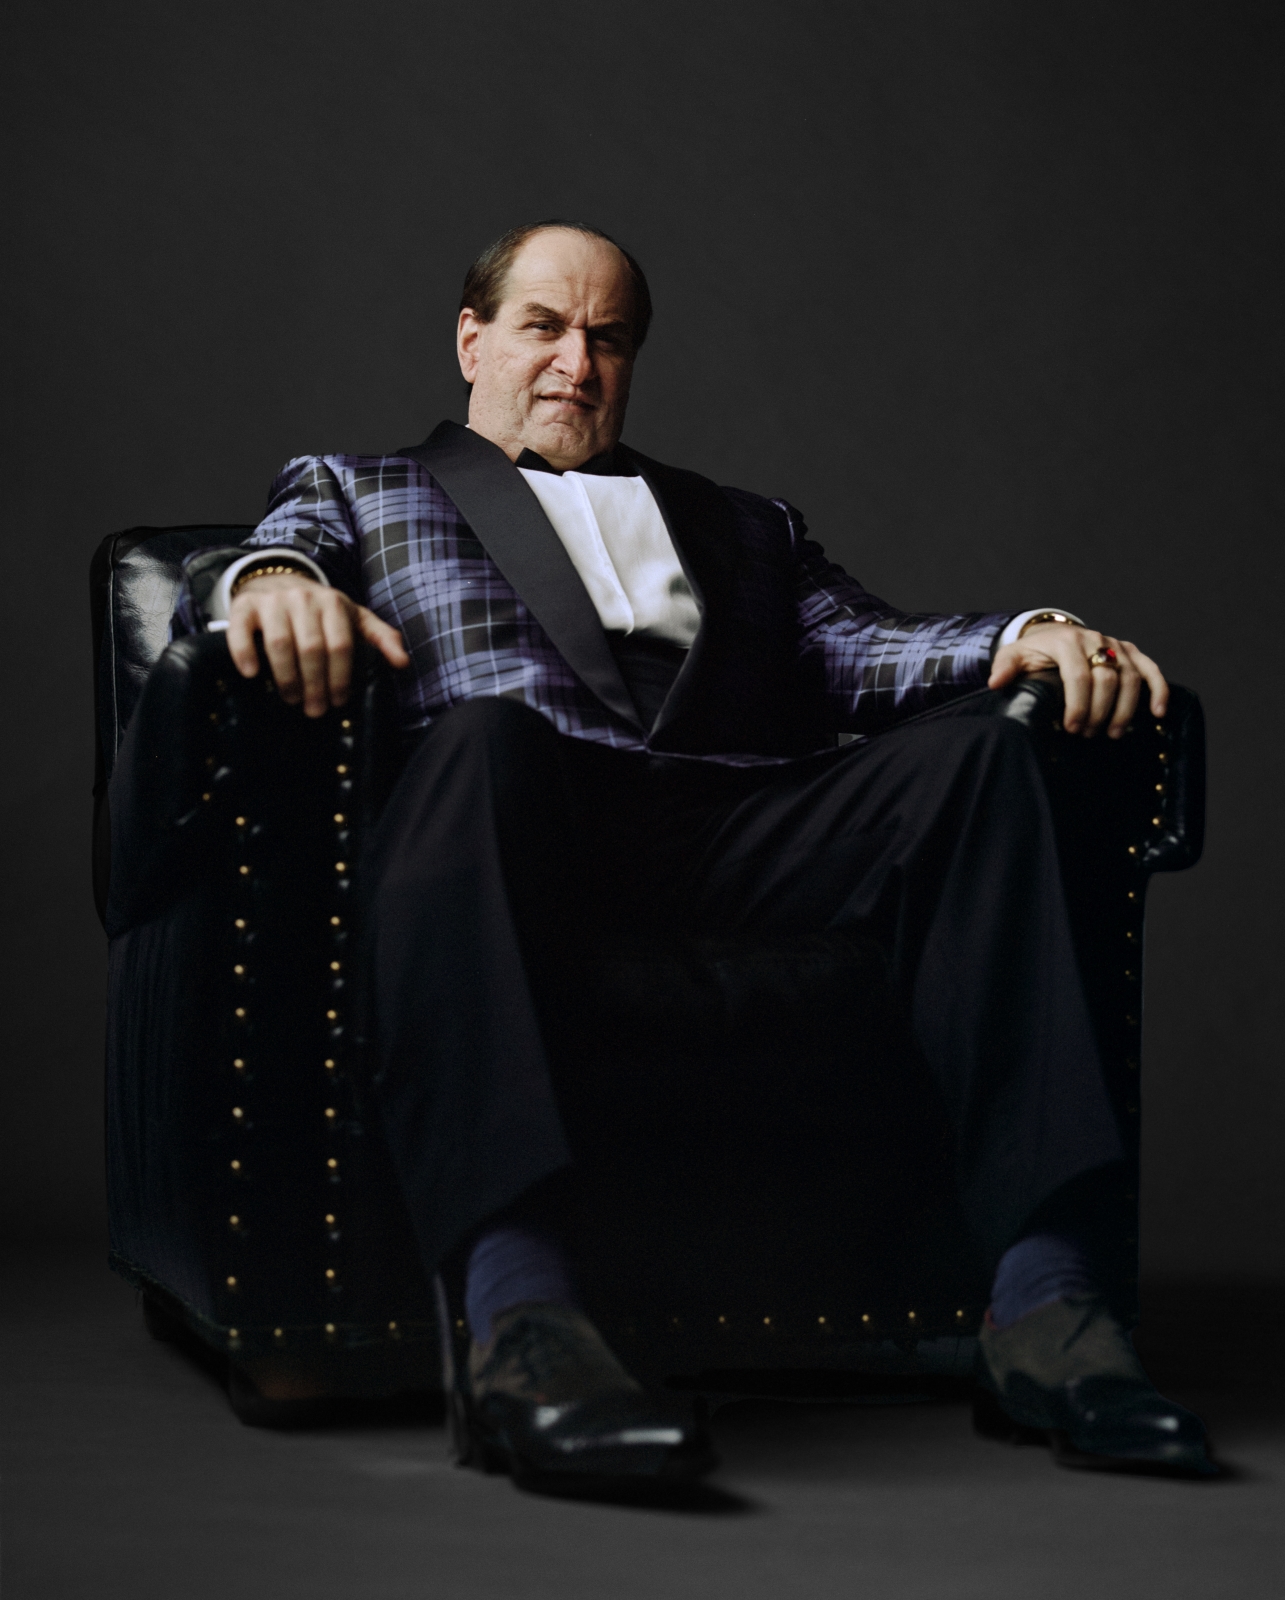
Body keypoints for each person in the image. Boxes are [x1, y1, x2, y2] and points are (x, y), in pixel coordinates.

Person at [172, 219, 1212, 1487]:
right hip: (513, 823)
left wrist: (1030, 633)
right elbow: (269, 549)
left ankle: (1047, 1307)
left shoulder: (743, 523)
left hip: (732, 828)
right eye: (544, 328)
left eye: (607, 339)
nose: (576, 363)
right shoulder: (358, 486)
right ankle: (520, 1324)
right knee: (483, 736)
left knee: (981, 761)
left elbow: (860, 647)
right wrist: (271, 580)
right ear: (472, 341)